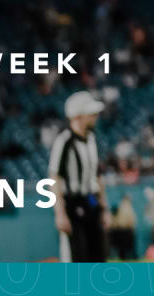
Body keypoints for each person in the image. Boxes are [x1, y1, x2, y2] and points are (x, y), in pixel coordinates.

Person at [49, 90, 109, 262]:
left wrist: (103, 208)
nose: (95, 116)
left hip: (91, 201)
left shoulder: (92, 139)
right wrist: (60, 213)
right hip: (73, 205)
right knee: (77, 256)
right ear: (77, 116)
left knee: (98, 256)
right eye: (90, 113)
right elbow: (55, 178)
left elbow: (97, 176)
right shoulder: (64, 142)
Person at [112, 194, 138, 261]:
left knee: (122, 252)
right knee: (128, 250)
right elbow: (132, 220)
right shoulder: (128, 207)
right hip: (126, 231)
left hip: (119, 231)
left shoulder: (120, 206)